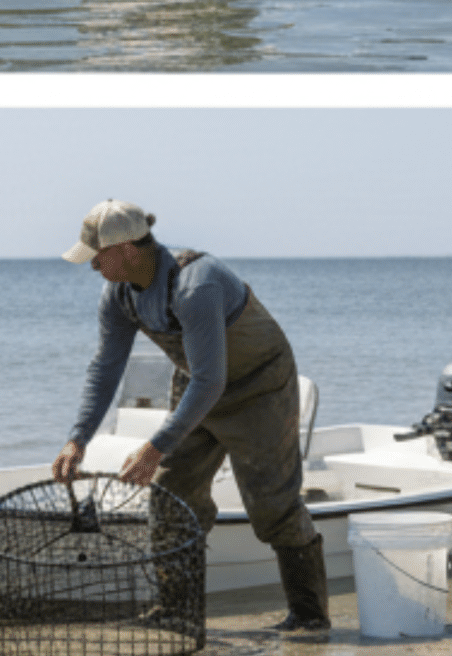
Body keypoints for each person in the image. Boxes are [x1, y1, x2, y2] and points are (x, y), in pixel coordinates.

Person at [49, 199, 328, 634]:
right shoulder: (119, 294)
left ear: (126, 250)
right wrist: (77, 438)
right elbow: (105, 368)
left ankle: (310, 617)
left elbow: (211, 380)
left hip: (258, 388)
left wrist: (155, 447)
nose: (93, 266)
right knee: (171, 497)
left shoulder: (196, 285)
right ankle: (176, 611)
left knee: (272, 506)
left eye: (98, 256)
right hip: (198, 384)